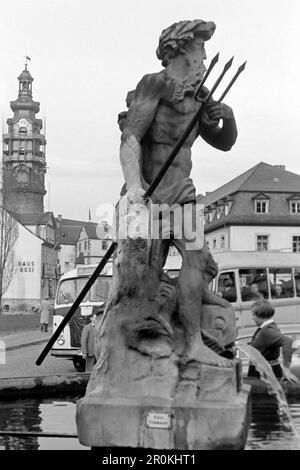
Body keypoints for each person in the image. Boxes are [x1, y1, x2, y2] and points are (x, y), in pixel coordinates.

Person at [119, 20, 237, 367]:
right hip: (151, 195)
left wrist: (226, 117)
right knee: (145, 273)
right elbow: (130, 139)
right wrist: (135, 187)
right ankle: (141, 333)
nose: (205, 56)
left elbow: (225, 143)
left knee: (198, 262)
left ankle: (194, 342)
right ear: (181, 48)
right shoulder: (154, 85)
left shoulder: (201, 95)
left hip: (183, 193)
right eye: (200, 47)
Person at [247, 299, 297, 382]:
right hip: (265, 371)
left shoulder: (268, 331)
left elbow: (288, 342)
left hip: (265, 373)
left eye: (253, 315)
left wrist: (286, 368)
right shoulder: (267, 328)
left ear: (260, 315)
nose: (252, 318)